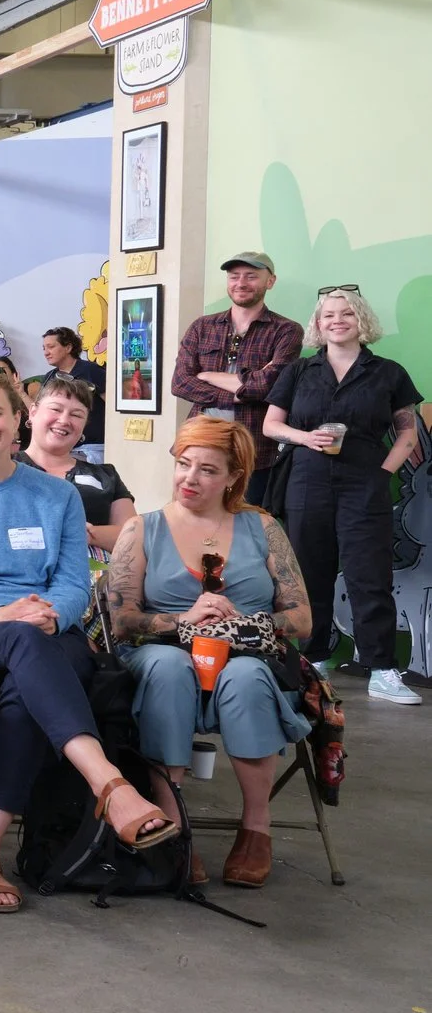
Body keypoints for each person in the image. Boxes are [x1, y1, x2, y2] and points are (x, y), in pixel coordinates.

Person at [0, 369, 178, 913]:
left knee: (24, 690)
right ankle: (109, 783)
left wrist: (50, 613)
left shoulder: (57, 496)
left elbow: (76, 583)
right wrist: (0, 612)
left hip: (52, 633)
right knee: (21, 647)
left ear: (16, 420)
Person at [105, 418, 316, 886]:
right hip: (162, 651)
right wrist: (181, 621)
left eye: (206, 469)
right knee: (168, 666)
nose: (190, 479)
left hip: (248, 654)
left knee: (246, 677)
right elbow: (122, 621)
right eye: (183, 465)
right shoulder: (142, 529)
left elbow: (301, 620)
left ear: (233, 477)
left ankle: (256, 829)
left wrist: (242, 622)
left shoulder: (262, 526)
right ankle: (172, 820)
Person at [264, 285, 422, 704]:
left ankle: (382, 669)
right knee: (309, 574)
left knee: (370, 577)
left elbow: (407, 431)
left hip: (363, 481)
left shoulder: (388, 372)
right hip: (307, 478)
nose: (337, 320)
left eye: (346, 314)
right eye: (328, 315)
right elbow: (270, 425)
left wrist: (382, 472)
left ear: (361, 321)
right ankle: (313, 660)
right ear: (318, 324)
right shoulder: (299, 371)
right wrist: (304, 437)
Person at [174, 251, 307, 497]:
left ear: (270, 281)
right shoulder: (202, 327)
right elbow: (180, 383)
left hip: (254, 449)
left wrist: (207, 375)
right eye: (234, 276)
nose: (241, 283)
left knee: (248, 524)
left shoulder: (286, 330)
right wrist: (241, 391)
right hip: (198, 443)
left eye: (251, 276)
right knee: (194, 520)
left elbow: (269, 387)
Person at [20, 377, 135, 555]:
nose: (64, 420)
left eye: (76, 415)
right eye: (55, 409)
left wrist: (85, 534)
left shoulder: (106, 475)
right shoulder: (4, 468)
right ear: (33, 412)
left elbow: (133, 538)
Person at [32, 326, 109, 458]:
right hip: (60, 447)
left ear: (68, 347)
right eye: (44, 348)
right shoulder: (49, 377)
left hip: (92, 448)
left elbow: (112, 406)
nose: (46, 353)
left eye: (51, 347)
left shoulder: (91, 370)